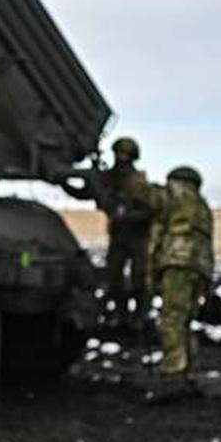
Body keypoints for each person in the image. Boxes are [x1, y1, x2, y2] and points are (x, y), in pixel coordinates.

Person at [61, 136, 154, 327]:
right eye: (119, 153)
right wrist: (64, 182)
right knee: (114, 277)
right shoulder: (107, 178)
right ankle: (121, 315)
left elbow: (149, 210)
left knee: (140, 278)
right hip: (118, 236)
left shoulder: (138, 182)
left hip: (139, 237)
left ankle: (140, 317)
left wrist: (126, 215)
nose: (121, 158)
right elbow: (86, 193)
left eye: (125, 154)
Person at [146, 165, 214, 391]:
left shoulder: (174, 194)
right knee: (184, 322)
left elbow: (146, 198)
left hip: (177, 262)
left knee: (171, 320)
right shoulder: (202, 205)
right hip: (200, 267)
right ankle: (188, 373)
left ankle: (172, 375)